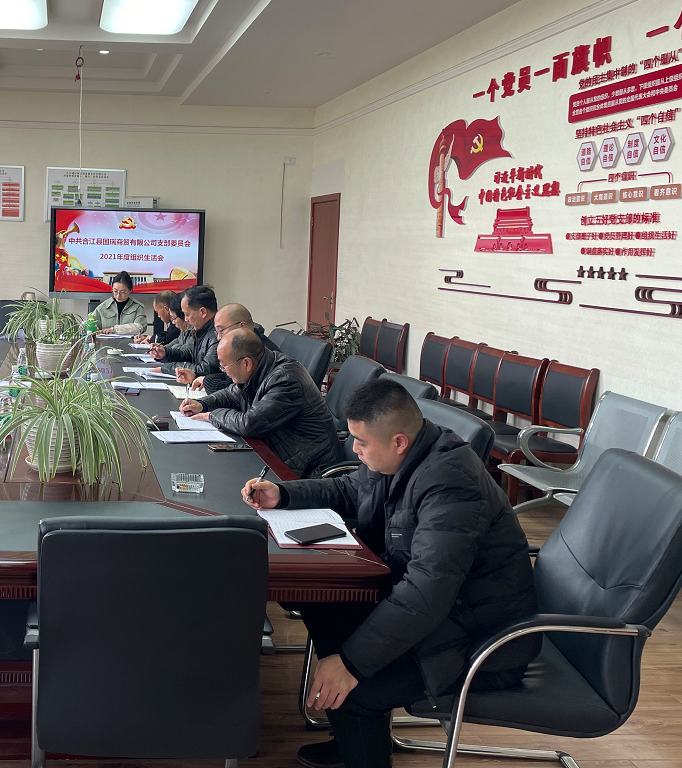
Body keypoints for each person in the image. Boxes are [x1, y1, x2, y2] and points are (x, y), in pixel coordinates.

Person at [240, 379, 539, 768]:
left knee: (353, 689)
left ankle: (357, 729)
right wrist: (284, 494)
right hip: (444, 615)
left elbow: (426, 595)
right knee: (321, 603)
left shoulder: (452, 485)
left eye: (360, 442)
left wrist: (351, 664)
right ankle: (354, 740)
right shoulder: (406, 455)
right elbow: (350, 489)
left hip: (481, 641)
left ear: (398, 441)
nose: (354, 449)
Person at [180, 328, 337, 477]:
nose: (224, 371)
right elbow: (231, 393)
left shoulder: (286, 380)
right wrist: (202, 404)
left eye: (224, 366)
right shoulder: (262, 366)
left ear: (246, 363)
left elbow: (249, 424)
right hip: (274, 454)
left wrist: (212, 416)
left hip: (306, 471)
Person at [177, 303, 279, 393]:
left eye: (221, 330)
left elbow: (233, 391)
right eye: (216, 332)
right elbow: (227, 378)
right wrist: (196, 376)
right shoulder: (243, 346)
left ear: (242, 327)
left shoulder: (260, 352)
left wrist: (205, 380)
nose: (218, 337)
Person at [148, 284, 218, 383]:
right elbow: (189, 354)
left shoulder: (217, 334)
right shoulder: (202, 330)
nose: (185, 319)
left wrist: (168, 368)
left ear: (203, 312)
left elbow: (205, 369)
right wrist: (166, 353)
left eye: (187, 314)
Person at [93, 271, 148, 335]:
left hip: (130, 341)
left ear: (130, 290)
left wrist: (114, 330)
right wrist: (92, 328)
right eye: (115, 291)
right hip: (106, 341)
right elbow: (88, 323)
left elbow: (140, 327)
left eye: (123, 292)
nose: (118, 295)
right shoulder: (103, 307)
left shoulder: (137, 307)